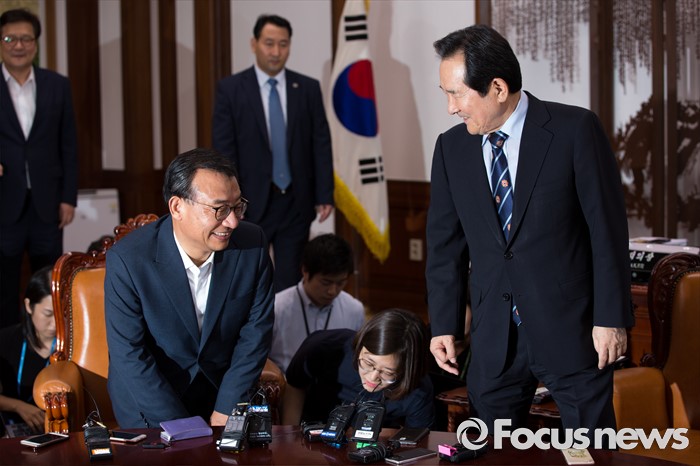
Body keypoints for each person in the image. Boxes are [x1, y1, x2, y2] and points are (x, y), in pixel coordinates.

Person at [426, 25, 634, 437]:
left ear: (498, 88)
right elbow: (445, 246)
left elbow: (607, 232)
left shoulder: (575, 130)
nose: (451, 108)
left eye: (457, 94)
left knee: (589, 451)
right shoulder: (451, 148)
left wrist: (611, 319)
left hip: (573, 331)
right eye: (445, 94)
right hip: (494, 338)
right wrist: (445, 325)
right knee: (491, 452)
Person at [104, 148, 274, 428]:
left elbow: (256, 333)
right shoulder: (129, 260)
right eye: (219, 209)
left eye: (237, 206)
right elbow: (129, 353)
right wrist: (183, 427)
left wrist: (227, 407)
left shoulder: (252, 245)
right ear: (177, 207)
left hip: (223, 394)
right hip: (152, 401)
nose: (232, 221)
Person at [212, 14, 334, 293]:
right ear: (254, 44)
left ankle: (284, 324)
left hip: (296, 200)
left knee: (289, 282)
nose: (276, 52)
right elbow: (223, 151)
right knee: (246, 277)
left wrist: (324, 193)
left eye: (283, 44)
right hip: (248, 201)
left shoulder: (307, 88)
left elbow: (320, 142)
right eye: (269, 43)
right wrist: (230, 201)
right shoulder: (231, 90)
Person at [0, 8, 78, 328]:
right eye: (10, 39)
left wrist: (68, 197)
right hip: (5, 202)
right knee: (4, 288)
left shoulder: (57, 85)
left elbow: (68, 144)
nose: (18, 45)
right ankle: (7, 353)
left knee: (49, 284)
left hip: (49, 204)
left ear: (36, 44)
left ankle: (49, 351)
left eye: (26, 39)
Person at [282, 309, 434, 429]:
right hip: (313, 431)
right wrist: (289, 435)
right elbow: (295, 384)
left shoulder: (418, 390)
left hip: (374, 444)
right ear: (360, 346)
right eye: (368, 363)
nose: (373, 378)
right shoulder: (325, 347)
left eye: (388, 373)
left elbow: (417, 442)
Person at [269, 233, 365, 374]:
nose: (332, 291)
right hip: (285, 384)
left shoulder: (354, 310)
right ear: (305, 271)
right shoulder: (276, 308)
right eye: (325, 282)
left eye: (340, 283)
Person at [0, 265, 55, 435]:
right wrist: (18, 406)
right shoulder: (5, 340)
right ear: (29, 305)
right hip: (9, 432)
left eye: (62, 313)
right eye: (48, 314)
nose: (55, 323)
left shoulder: (76, 345)